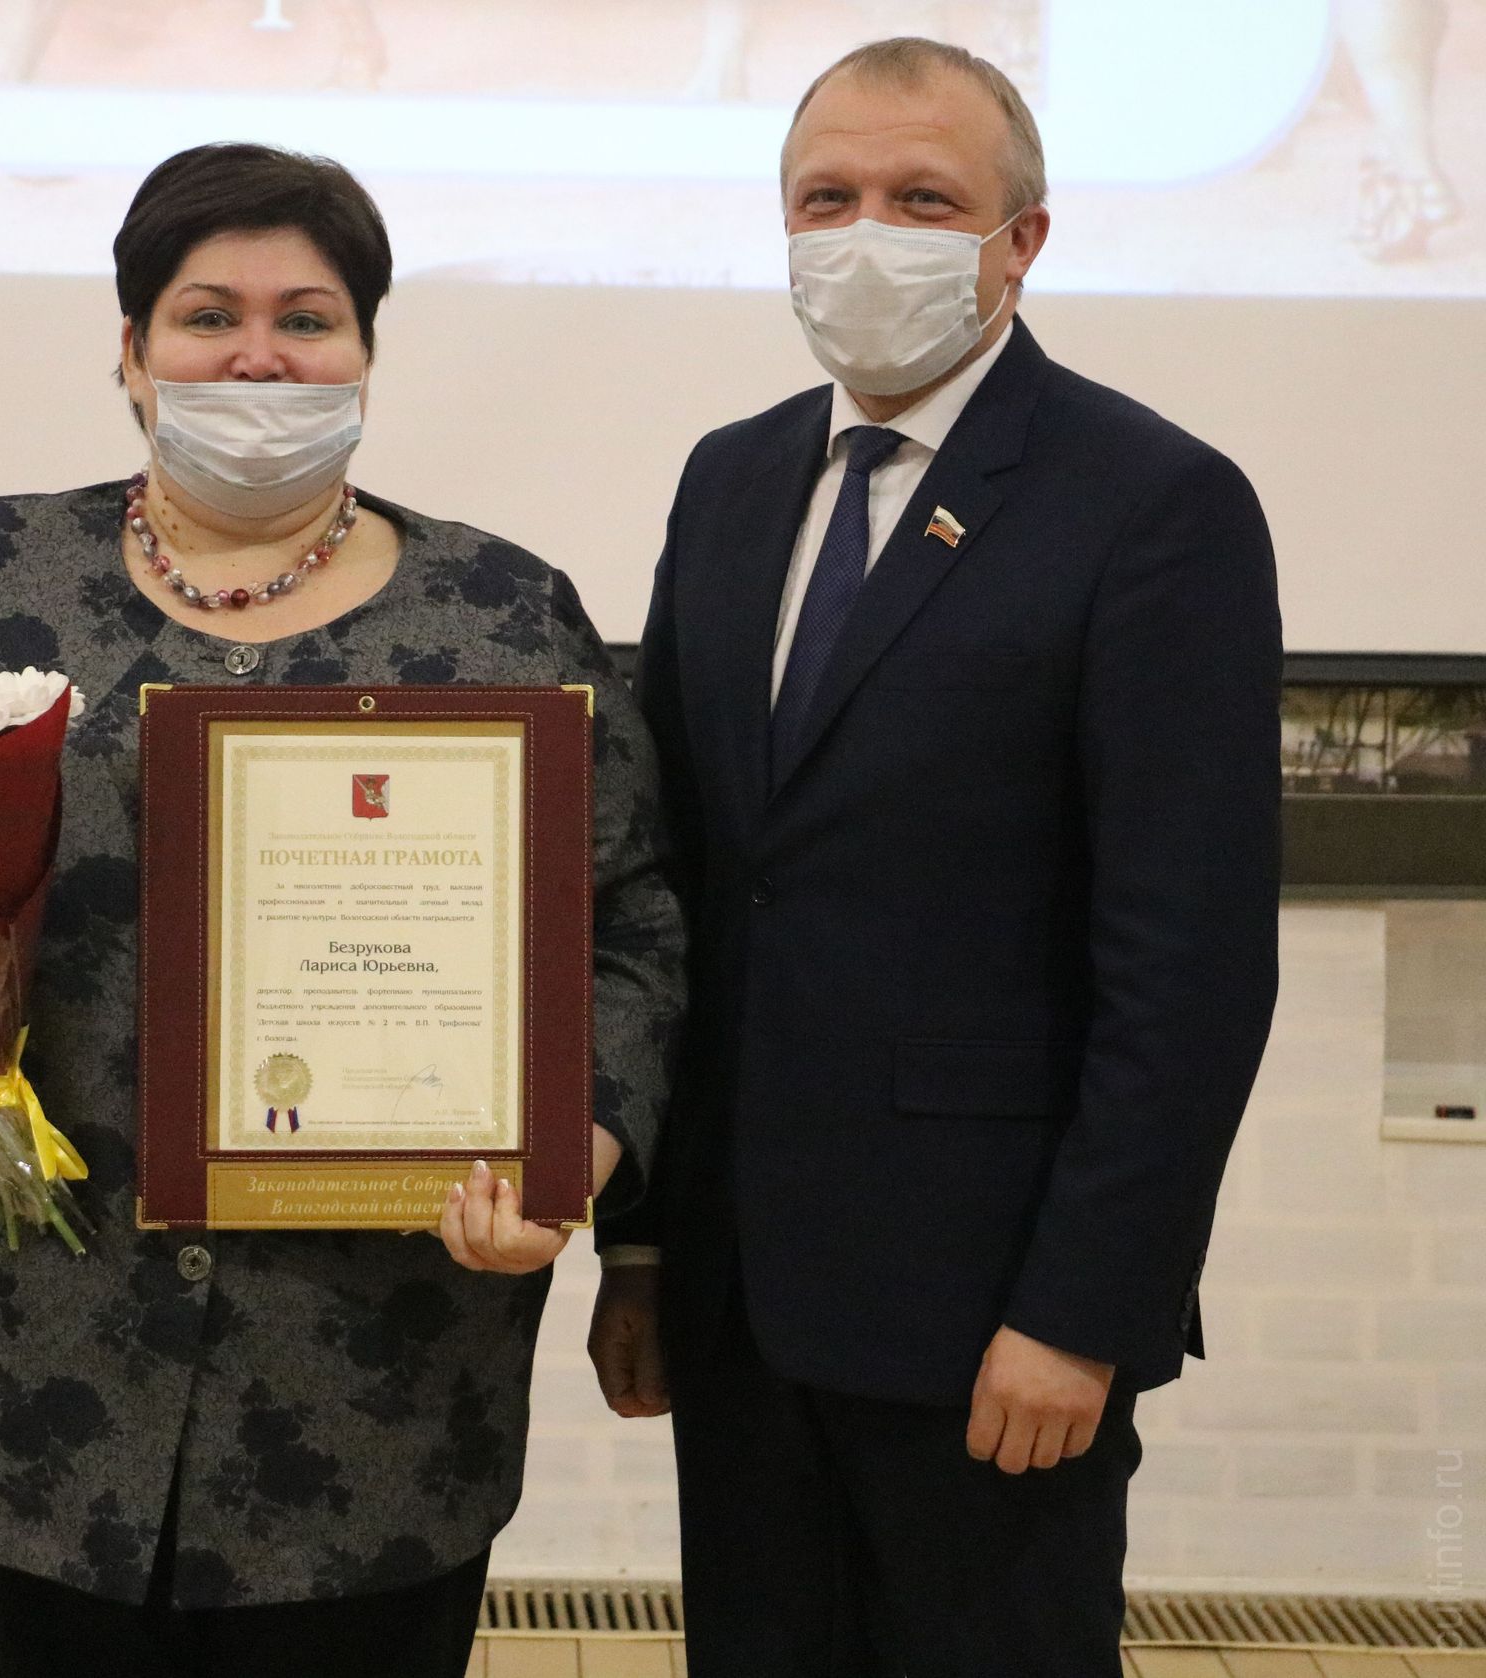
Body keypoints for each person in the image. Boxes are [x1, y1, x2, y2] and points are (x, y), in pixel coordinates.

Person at [0, 141, 684, 1678]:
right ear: (131, 353)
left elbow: (633, 918)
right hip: (30, 1350)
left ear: (366, 353)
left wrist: (572, 1156)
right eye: (207, 315)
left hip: (372, 1373)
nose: (259, 354)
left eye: (307, 319)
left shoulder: (504, 610)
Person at [586, 37, 1281, 1678]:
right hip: (743, 1305)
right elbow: (683, 886)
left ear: (1021, 240)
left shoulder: (1156, 504)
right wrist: (647, 1244)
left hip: (991, 1318)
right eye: (826, 199)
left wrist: (1084, 1310)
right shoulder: (732, 478)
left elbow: (1186, 967)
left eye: (922, 200)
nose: (866, 236)